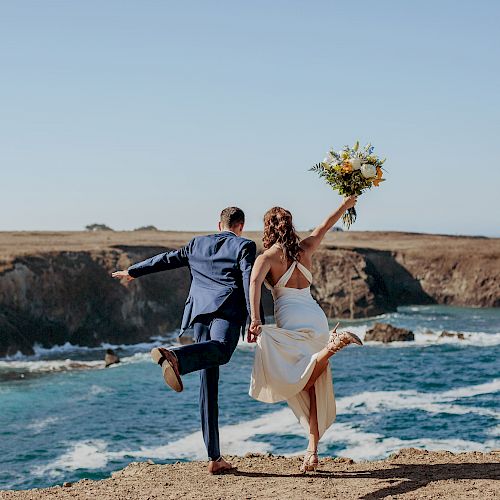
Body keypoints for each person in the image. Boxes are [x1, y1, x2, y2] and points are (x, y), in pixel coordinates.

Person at [112, 207, 255, 474]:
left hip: (199, 314)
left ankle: (214, 458)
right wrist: (254, 318)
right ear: (241, 225)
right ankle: (176, 357)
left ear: (219, 224)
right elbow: (248, 280)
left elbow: (166, 259)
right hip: (226, 312)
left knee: (208, 384)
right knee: (222, 351)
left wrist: (133, 271)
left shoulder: (197, 244)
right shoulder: (244, 245)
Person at [247, 196, 363, 473]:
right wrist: (346, 205)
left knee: (291, 377)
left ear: (268, 229)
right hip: (316, 318)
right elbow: (325, 225)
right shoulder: (306, 248)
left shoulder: (267, 257)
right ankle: (312, 453)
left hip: (292, 321)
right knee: (312, 385)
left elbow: (252, 281)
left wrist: (255, 318)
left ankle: (333, 346)